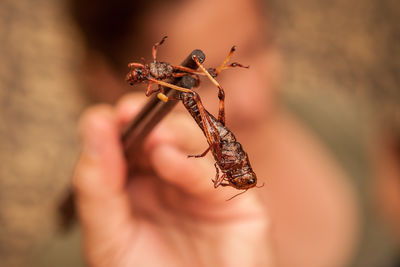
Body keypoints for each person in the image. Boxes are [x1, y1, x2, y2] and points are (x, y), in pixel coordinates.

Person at [71, 0, 360, 266]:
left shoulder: (337, 118)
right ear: (105, 80)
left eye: (258, 45)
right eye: (202, 83)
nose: (254, 101)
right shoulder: (99, 252)